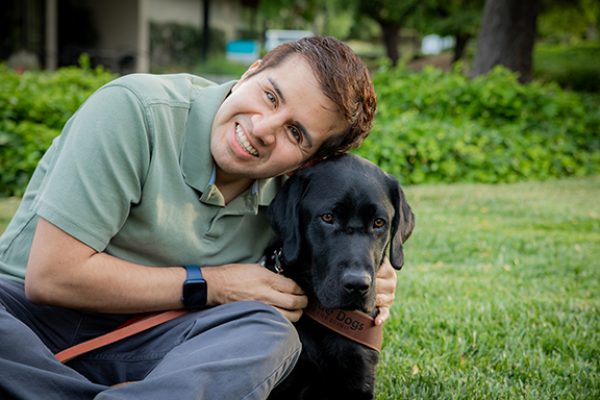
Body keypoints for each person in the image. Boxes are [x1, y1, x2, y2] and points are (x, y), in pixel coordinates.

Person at [0, 36, 397, 399]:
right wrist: (213, 284)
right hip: (29, 319)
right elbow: (52, 277)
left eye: (296, 133)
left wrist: (375, 274)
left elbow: (346, 239)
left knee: (267, 331)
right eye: (271, 97)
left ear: (309, 161)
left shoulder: (294, 194)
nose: (262, 128)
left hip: (161, 339)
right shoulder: (134, 109)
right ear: (251, 71)